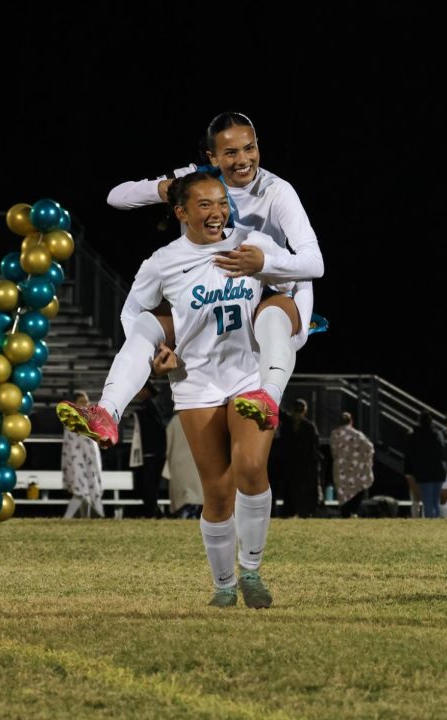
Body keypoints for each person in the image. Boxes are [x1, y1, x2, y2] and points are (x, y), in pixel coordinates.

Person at [65, 172, 319, 607]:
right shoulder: (163, 261)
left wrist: (289, 317)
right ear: (181, 212)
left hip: (248, 377)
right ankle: (222, 586)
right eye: (204, 205)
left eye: (221, 202)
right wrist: (159, 354)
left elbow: (302, 276)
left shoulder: (251, 242)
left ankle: (252, 573)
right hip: (195, 379)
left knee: (251, 470)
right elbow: (132, 315)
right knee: (216, 492)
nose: (217, 212)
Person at [60, 111, 323, 446]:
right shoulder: (195, 181)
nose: (243, 160)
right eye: (230, 153)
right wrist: (167, 189)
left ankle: (268, 396)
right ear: (212, 157)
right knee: (146, 324)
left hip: (264, 292)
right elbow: (116, 197)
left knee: (271, 317)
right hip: (207, 294)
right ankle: (108, 413)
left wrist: (266, 268)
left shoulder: (276, 192)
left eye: (250, 148)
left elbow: (313, 264)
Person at [60, 392, 104, 519]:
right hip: (78, 460)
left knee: (87, 490)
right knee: (82, 491)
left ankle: (87, 518)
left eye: (87, 401)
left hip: (87, 460)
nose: (86, 404)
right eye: (82, 402)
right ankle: (67, 519)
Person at [128, 383, 167, 517]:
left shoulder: (150, 405)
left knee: (149, 483)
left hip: (152, 452)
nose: (137, 393)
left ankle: (152, 511)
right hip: (154, 452)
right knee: (149, 484)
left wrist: (137, 414)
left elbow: (159, 425)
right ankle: (152, 510)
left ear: (146, 390)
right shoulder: (151, 405)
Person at [278, 398, 321, 517]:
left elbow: (312, 449)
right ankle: (290, 511)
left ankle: (304, 511)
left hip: (303, 463)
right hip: (290, 462)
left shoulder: (309, 427)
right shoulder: (287, 424)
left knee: (302, 489)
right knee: (290, 488)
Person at [330, 412, 375, 518]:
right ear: (351, 421)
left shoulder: (334, 434)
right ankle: (354, 512)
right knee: (357, 489)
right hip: (357, 469)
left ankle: (345, 513)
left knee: (343, 491)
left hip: (341, 468)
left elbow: (334, 452)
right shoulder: (357, 434)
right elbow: (369, 448)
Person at [404, 412, 447, 518]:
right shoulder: (438, 434)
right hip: (439, 471)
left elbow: (409, 456)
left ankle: (430, 526)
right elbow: (442, 453)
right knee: (435, 501)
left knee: (427, 502)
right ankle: (435, 523)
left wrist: (408, 472)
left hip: (424, 473)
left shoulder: (413, 435)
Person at [165, 413, 202, 518]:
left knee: (186, 494)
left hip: (179, 462)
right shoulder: (205, 416)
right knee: (197, 493)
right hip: (198, 462)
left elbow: (167, 444)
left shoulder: (176, 420)